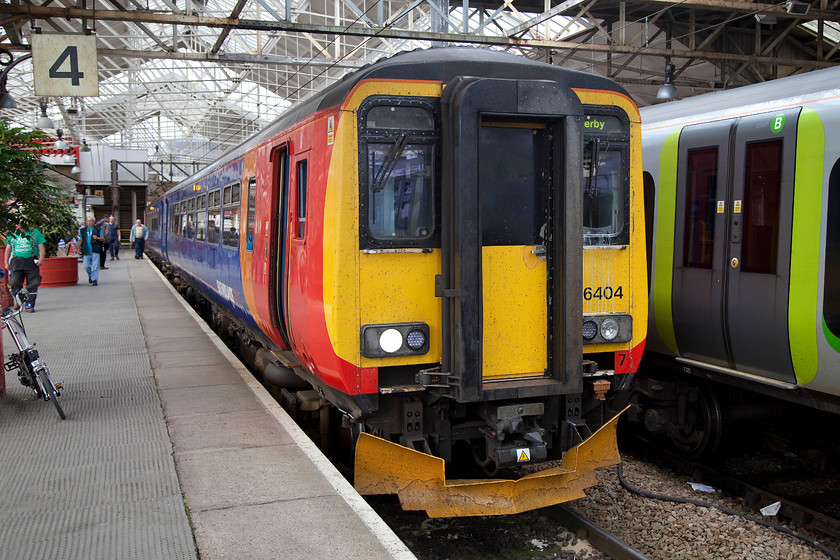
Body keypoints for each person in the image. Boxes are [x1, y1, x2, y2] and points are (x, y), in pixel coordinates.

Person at [4, 223, 46, 312]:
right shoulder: (12, 233)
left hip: (31, 260)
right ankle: (19, 300)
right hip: (17, 261)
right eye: (17, 224)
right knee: (14, 282)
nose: (19, 226)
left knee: (33, 282)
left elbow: (41, 246)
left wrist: (41, 258)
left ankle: (29, 304)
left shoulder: (35, 232)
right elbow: (8, 248)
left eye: (21, 224)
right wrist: (6, 262)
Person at [77, 216, 105, 286]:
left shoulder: (98, 229)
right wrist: (78, 247)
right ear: (86, 222)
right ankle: (91, 276)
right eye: (88, 221)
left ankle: (94, 279)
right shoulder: (83, 230)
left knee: (95, 266)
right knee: (87, 266)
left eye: (91, 221)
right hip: (86, 250)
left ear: (93, 222)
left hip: (95, 250)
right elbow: (80, 239)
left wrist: (97, 238)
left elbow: (102, 238)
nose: (89, 223)